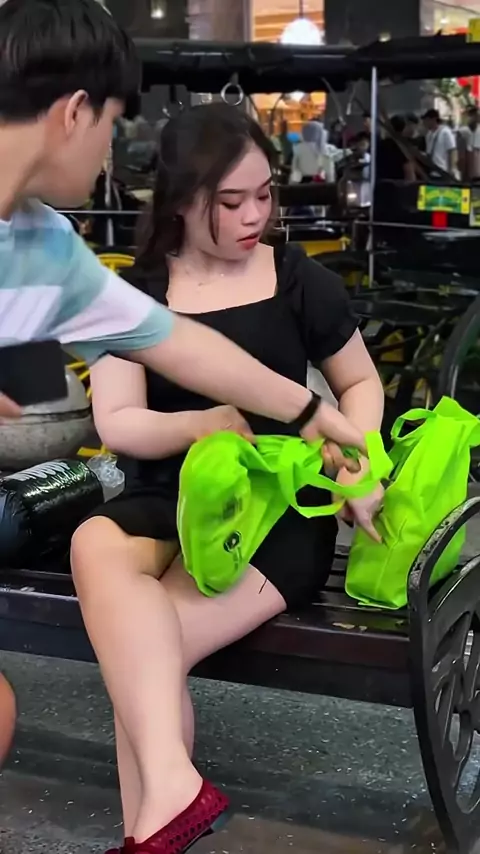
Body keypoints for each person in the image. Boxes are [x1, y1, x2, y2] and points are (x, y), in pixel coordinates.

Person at [70, 103, 385, 854]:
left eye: (265, 195)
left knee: (144, 655)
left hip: (274, 508)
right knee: (93, 543)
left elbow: (360, 385)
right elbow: (119, 422)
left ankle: (152, 828)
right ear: (181, 201)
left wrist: (358, 464)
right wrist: (197, 424)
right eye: (232, 201)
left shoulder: (297, 278)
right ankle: (165, 812)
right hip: (165, 497)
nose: (255, 216)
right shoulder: (136, 294)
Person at [0, 0, 366, 450]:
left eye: (262, 194)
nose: (107, 149)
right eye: (111, 123)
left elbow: (175, 344)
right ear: (74, 114)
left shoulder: (48, 243)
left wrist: (307, 411)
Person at [376, 115, 416, 182]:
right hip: (398, 185)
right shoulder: (403, 148)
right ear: (403, 129)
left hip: (380, 185)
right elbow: (409, 173)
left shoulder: (378, 146)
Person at [422, 108, 458, 177]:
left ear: (433, 119)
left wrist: (451, 169)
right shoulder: (429, 134)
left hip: (442, 170)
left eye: (427, 120)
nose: (425, 123)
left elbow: (452, 151)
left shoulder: (445, 132)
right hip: (431, 171)